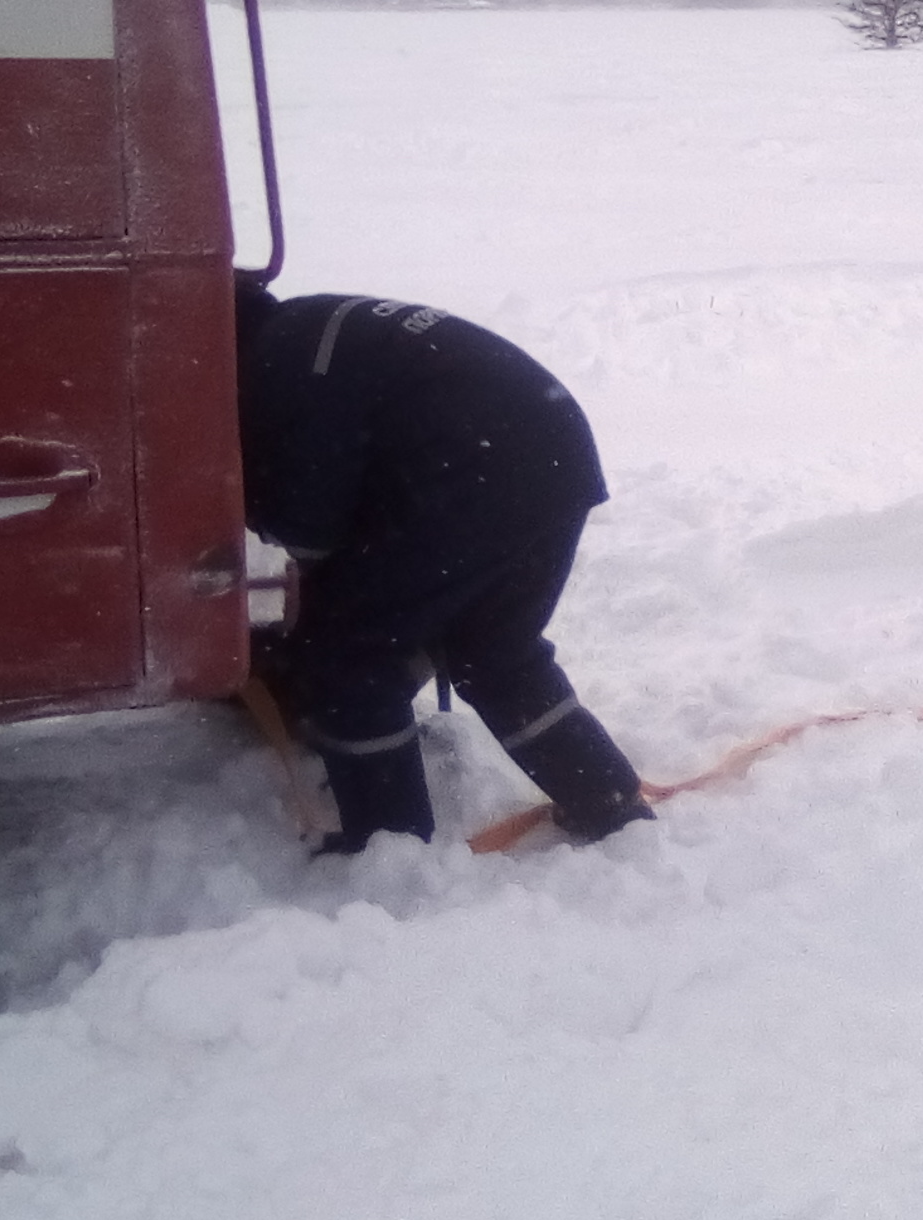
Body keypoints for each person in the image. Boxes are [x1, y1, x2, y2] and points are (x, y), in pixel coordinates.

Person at [234, 282, 653, 852]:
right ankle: (607, 801)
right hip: (553, 453)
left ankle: (390, 848)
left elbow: (311, 523)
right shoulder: (305, 330)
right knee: (495, 648)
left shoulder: (276, 370)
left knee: (348, 655)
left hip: (475, 469)